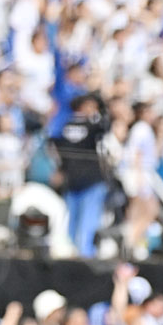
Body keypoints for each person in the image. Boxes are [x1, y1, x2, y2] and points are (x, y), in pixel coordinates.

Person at [48, 93, 110, 258]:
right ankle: (77, 257)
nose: (92, 110)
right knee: (72, 225)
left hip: (90, 181)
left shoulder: (88, 125)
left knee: (86, 225)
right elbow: (54, 146)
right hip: (74, 181)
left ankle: (84, 256)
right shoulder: (67, 123)